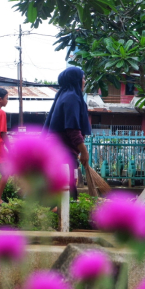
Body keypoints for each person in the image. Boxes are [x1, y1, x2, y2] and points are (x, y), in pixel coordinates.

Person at [43, 67, 91, 200]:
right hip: (63, 152)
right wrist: (84, 152)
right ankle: (64, 218)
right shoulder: (72, 98)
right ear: (76, 80)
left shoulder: (62, 95)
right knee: (67, 192)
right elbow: (72, 129)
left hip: (55, 150)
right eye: (82, 78)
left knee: (61, 189)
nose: (84, 81)